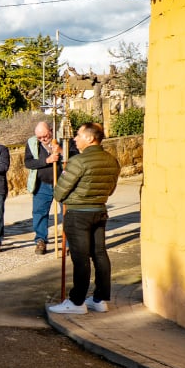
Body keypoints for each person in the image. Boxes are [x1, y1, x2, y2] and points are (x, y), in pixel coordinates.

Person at [48, 123, 121, 315]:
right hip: (99, 210)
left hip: (78, 213)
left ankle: (77, 301)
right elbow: (111, 189)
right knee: (100, 254)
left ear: (90, 138)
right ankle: (100, 298)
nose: (75, 138)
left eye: (78, 135)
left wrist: (69, 196)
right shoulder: (111, 160)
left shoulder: (78, 161)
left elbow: (59, 192)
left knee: (81, 258)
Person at [25, 121, 74, 255]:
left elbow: (75, 157)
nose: (43, 140)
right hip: (42, 184)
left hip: (63, 183)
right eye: (40, 138)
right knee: (39, 213)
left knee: (67, 213)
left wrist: (60, 151)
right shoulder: (31, 143)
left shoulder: (64, 139)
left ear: (51, 130)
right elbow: (28, 162)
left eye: (45, 136)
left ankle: (69, 242)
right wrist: (46, 160)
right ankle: (40, 241)